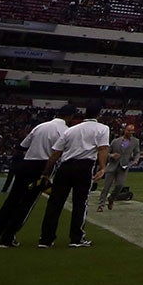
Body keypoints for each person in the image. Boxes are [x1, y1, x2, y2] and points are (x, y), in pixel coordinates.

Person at [0, 105, 70, 248]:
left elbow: (23, 146)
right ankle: (8, 238)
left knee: (11, 201)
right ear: (70, 117)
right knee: (26, 204)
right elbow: (59, 154)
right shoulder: (65, 131)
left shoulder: (40, 126)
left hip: (27, 163)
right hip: (42, 165)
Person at [38, 105, 110, 248]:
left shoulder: (71, 130)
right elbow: (103, 149)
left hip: (65, 167)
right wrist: (102, 167)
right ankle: (76, 238)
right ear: (99, 115)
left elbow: (55, 154)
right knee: (80, 203)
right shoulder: (102, 128)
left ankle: (46, 239)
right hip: (84, 167)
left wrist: (45, 174)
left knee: (54, 203)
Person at [97, 122, 139, 211]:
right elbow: (106, 152)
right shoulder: (116, 141)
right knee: (106, 187)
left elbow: (137, 152)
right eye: (129, 130)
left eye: (132, 131)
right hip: (112, 166)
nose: (130, 133)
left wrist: (136, 160)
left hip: (124, 167)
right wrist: (111, 156)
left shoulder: (135, 141)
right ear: (125, 130)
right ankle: (101, 204)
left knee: (120, 185)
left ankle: (112, 198)